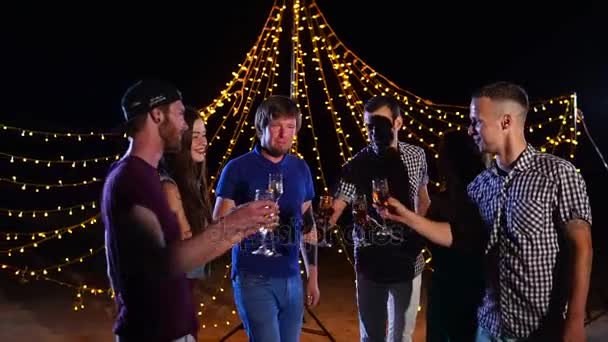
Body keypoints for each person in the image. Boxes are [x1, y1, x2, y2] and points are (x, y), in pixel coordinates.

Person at [376, 81, 593, 341]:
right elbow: (458, 234)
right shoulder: (480, 185)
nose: (470, 130)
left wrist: (575, 320)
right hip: (489, 327)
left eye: (476, 121)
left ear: (505, 122)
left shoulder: (558, 174)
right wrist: (405, 215)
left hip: (540, 329)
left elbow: (582, 247)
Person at [101, 79, 278, 342]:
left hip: (171, 328)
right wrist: (233, 225)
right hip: (154, 333)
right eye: (180, 114)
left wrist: (243, 226)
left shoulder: (143, 175)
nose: (184, 124)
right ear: (157, 115)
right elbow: (168, 262)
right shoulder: (132, 178)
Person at [213, 94, 320, 342]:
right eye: (276, 126)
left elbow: (308, 226)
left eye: (290, 127)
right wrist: (249, 217)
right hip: (253, 276)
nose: (284, 134)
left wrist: (312, 278)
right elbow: (218, 222)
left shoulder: (300, 168)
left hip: (292, 277)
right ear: (261, 126)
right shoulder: (237, 168)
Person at [329, 95, 431, 342]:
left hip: (408, 261)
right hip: (370, 261)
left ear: (398, 123)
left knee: (401, 337)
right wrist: (318, 224)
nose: (374, 132)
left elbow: (423, 199)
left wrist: (419, 235)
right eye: (369, 126)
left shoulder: (416, 155)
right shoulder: (357, 163)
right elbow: (337, 207)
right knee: (371, 337)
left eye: (380, 124)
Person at [423, 130, 486, 342]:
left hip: (453, 285)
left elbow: (455, 236)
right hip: (473, 284)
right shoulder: (485, 193)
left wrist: (408, 218)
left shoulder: (452, 201)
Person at [159, 106, 213, 292]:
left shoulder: (193, 186)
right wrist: (234, 226)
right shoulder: (169, 187)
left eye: (204, 135)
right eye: (195, 135)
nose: (203, 142)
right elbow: (184, 252)